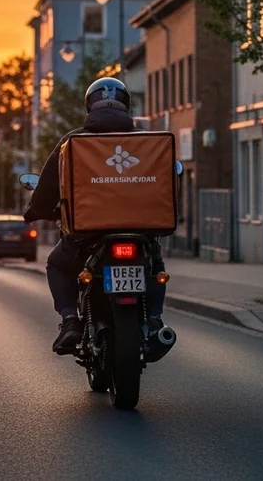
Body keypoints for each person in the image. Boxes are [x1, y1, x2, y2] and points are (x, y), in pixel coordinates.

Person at [22, 77, 169, 358]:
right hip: (141, 233)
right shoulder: (147, 141)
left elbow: (48, 187)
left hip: (87, 237)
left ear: (89, 106)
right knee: (154, 266)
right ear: (127, 105)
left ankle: (70, 321)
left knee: (57, 263)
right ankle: (154, 320)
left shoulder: (72, 142)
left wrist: (35, 211)